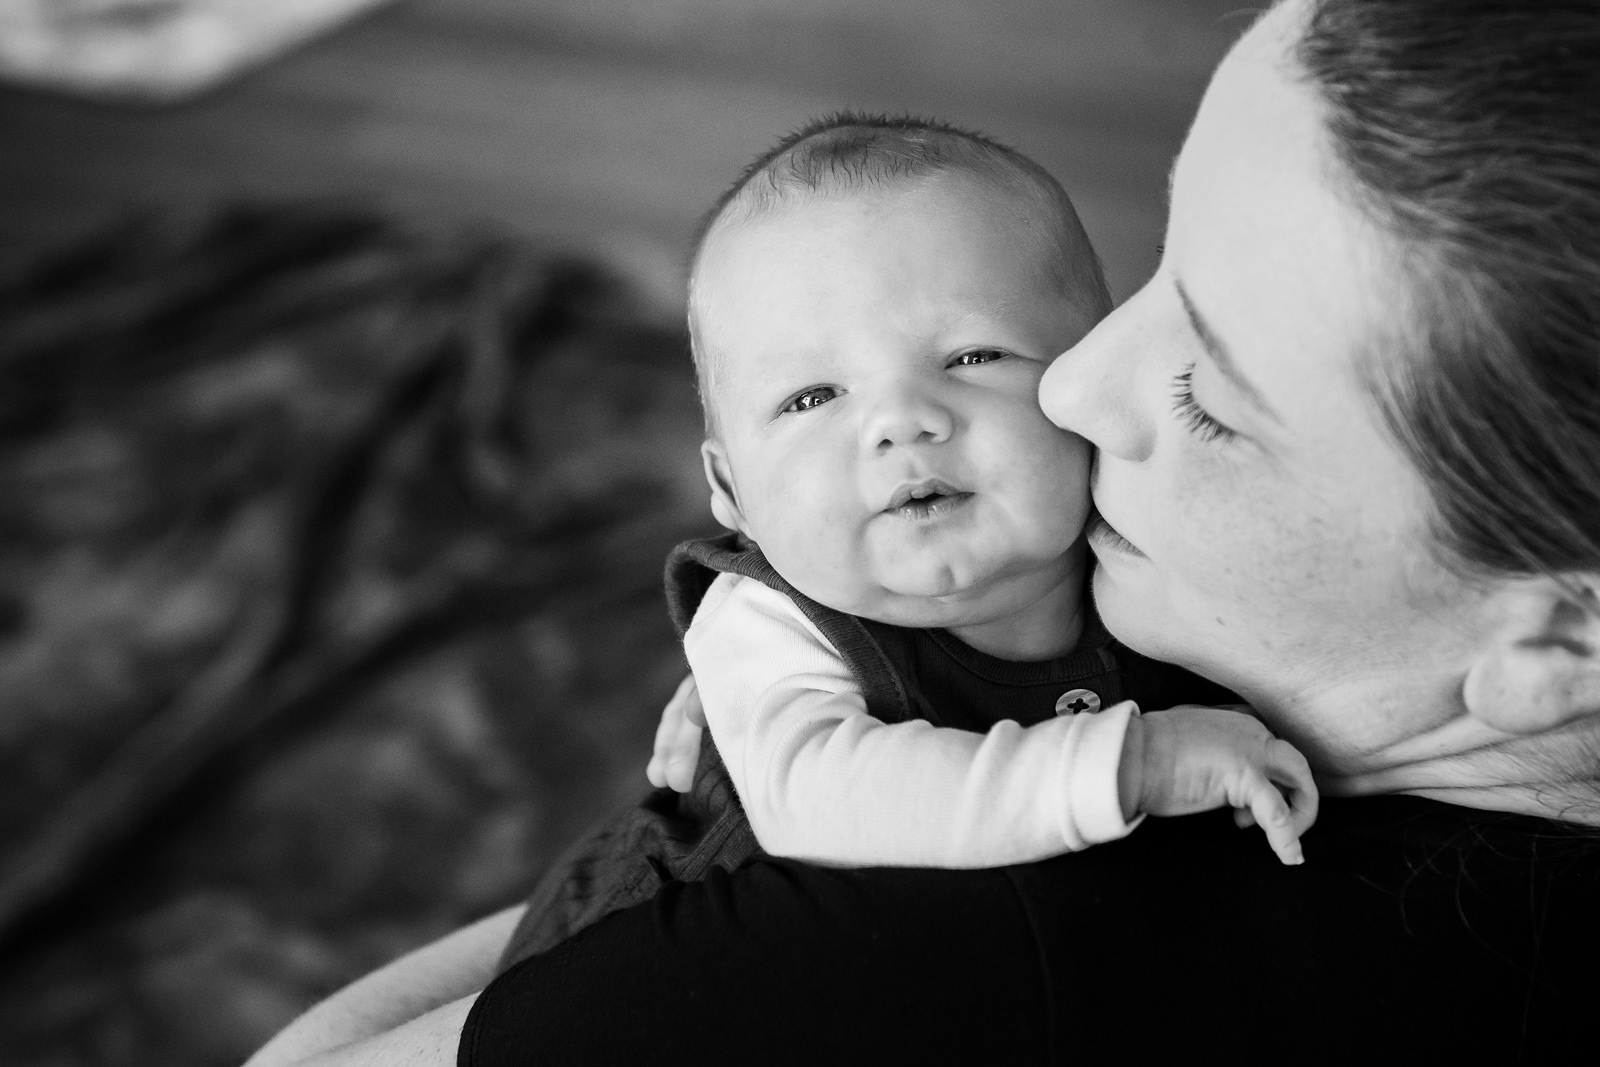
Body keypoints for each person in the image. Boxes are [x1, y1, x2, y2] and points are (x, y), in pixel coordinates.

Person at [249, 0, 1600, 1062]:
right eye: (1163, 273)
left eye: (1210, 387)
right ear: (728, 485)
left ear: (1560, 627)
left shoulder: (962, 956)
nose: (1071, 383)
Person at [488, 113, 1319, 967]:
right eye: (812, 397)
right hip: (652, 967)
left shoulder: (1141, 530)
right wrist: (1136, 764)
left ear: (1090, 376)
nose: (901, 421)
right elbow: (820, 797)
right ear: (732, 492)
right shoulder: (767, 625)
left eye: (973, 355)